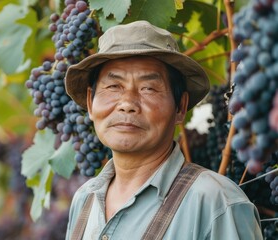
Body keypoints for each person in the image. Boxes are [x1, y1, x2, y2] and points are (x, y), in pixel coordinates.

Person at [63, 21, 263, 240]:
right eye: (113, 87)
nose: (127, 103)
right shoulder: (84, 199)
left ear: (180, 108)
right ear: (91, 104)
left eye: (148, 88)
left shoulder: (216, 203)